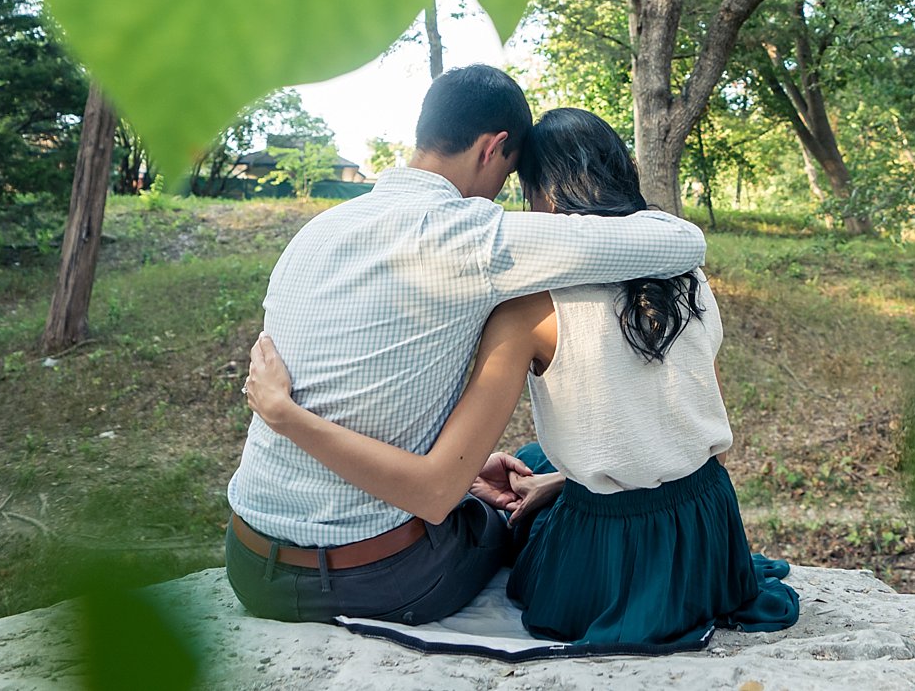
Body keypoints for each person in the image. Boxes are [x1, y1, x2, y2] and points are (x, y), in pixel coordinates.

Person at [246, 106, 800, 650]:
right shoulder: (685, 278)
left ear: (548, 197)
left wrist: (284, 413)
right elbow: (675, 423)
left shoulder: (527, 309)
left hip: (613, 560)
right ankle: (559, 480)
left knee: (515, 492)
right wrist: (563, 479)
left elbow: (439, 485)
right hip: (706, 530)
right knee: (534, 462)